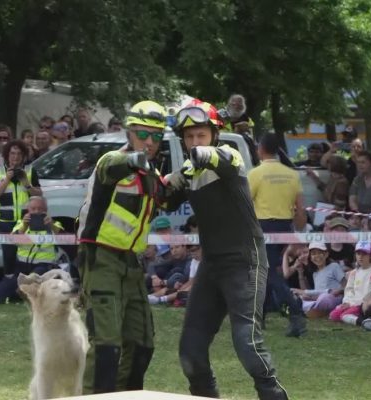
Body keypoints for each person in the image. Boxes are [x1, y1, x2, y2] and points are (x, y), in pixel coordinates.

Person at [163, 99, 290, 399]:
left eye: (201, 135)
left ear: (214, 135)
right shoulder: (189, 172)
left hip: (245, 260)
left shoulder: (229, 156)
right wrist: (159, 181)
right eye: (189, 136)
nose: (195, 141)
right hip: (212, 265)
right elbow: (163, 200)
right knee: (190, 353)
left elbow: (213, 158)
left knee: (247, 344)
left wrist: (196, 158)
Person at [77, 100, 172, 394]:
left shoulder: (152, 176)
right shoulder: (111, 161)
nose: (149, 142)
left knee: (142, 344)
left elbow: (170, 196)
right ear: (129, 133)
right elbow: (111, 167)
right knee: (106, 346)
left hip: (131, 263)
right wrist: (134, 160)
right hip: (100, 257)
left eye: (156, 136)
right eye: (143, 134)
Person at [248, 133, 308, 337]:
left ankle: (295, 312)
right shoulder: (292, 174)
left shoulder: (255, 174)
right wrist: (299, 230)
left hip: (263, 227)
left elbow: (245, 204)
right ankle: (260, 315)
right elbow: (300, 209)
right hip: (285, 227)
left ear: (261, 149)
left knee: (268, 273)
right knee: (265, 271)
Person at [0, 140, 43, 283]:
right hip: (6, 223)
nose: (16, 157)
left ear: (24, 156)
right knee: (9, 257)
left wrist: (26, 183)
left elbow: (39, 194)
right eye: (12, 153)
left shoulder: (30, 171)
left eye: (19, 154)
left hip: (28, 222)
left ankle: (25, 289)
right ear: (7, 155)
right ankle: (9, 289)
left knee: (27, 256)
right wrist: (7, 179)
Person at [0, 196, 63, 303]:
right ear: (28, 210)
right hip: (22, 267)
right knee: (1, 292)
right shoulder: (20, 224)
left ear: (46, 210)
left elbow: (62, 237)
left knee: (33, 278)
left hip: (44, 267)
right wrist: (24, 227)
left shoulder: (54, 224)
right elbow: (13, 240)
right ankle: (24, 294)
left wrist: (51, 225)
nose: (36, 211)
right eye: (33, 209)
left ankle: (27, 293)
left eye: (40, 209)